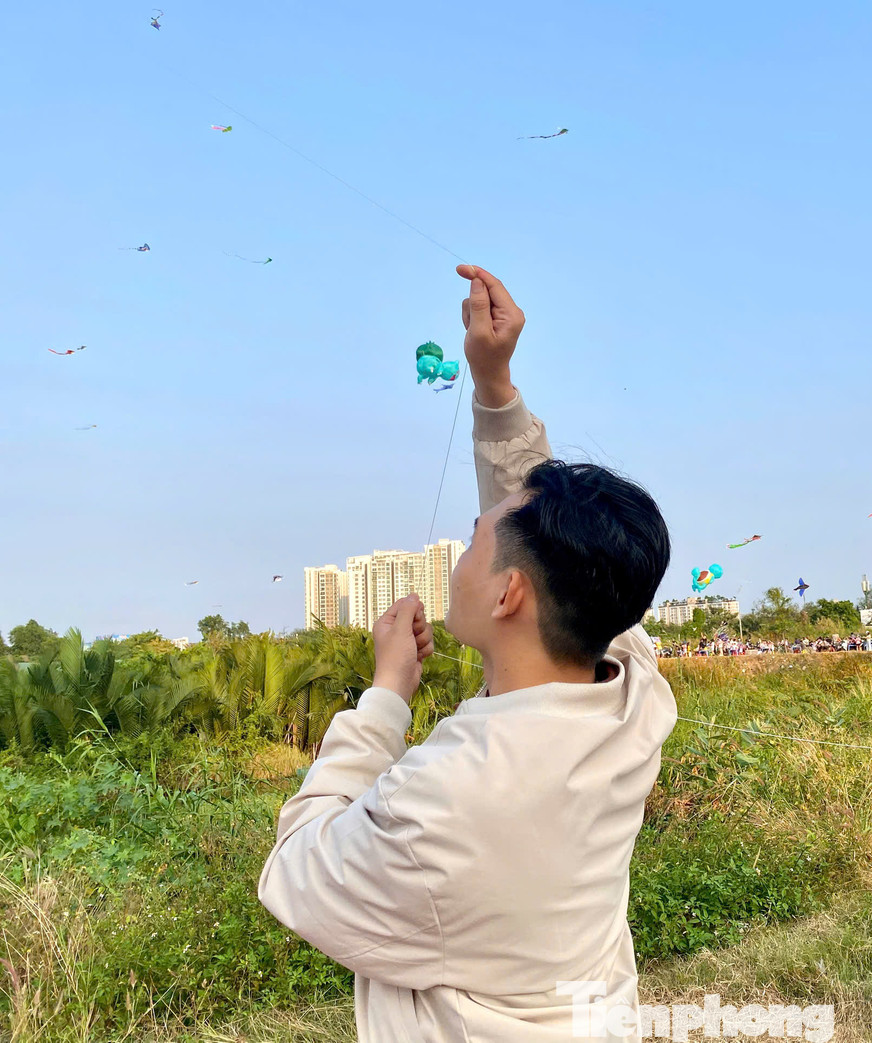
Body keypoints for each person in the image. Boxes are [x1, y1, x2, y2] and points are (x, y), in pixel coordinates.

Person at [258, 265, 676, 1041]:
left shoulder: (446, 800)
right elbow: (555, 542)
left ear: (509, 593)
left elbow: (295, 873)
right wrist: (495, 385)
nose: (465, 539)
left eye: (477, 538)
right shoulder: (634, 692)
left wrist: (385, 697)